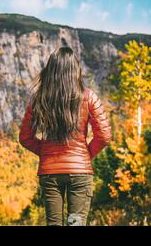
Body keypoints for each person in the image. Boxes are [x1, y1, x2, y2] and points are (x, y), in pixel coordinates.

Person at [19, 47, 111, 226]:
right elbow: (104, 135)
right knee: (75, 224)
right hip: (80, 173)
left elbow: (25, 137)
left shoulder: (39, 98)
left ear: (51, 70)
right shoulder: (88, 96)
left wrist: (47, 153)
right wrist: (84, 156)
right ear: (75, 70)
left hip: (50, 173)